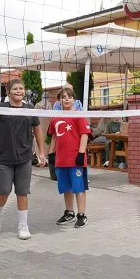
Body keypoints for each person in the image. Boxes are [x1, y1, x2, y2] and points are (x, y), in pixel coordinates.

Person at [0, 79, 46, 240]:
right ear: (8, 92)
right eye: (15, 89)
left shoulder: (29, 108)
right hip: (4, 157)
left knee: (22, 192)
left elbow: (38, 130)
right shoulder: (1, 108)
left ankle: (23, 226)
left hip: (24, 157)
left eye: (21, 88)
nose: (19, 91)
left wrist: (41, 152)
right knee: (4, 191)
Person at [48, 88, 91, 228]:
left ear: (74, 100)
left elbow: (85, 134)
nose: (66, 99)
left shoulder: (79, 115)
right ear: (59, 101)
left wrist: (81, 153)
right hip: (61, 159)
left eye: (69, 96)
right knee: (66, 187)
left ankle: (82, 215)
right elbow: (54, 136)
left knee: (78, 187)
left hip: (75, 158)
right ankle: (69, 212)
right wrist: (51, 154)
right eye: (63, 97)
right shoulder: (55, 117)